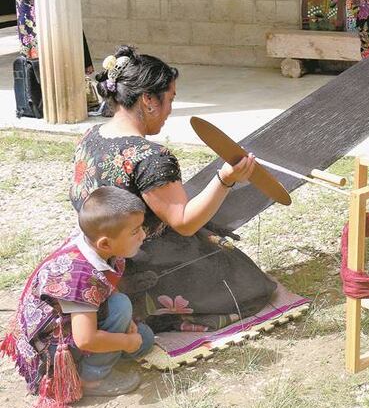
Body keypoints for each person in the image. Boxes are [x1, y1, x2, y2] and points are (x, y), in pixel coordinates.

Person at [71, 45, 275, 333]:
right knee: (252, 286)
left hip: (95, 253)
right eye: (170, 99)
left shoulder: (91, 136)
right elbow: (184, 222)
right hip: (138, 264)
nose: (170, 110)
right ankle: (154, 312)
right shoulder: (150, 157)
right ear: (148, 100)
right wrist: (226, 178)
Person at [2, 188, 157, 408]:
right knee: (123, 310)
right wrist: (124, 341)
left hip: (76, 324)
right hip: (54, 349)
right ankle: (93, 378)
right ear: (105, 243)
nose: (143, 235)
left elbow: (107, 285)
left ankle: (100, 357)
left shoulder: (95, 246)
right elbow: (85, 339)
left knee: (144, 339)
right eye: (135, 231)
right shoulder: (79, 276)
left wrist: (127, 328)